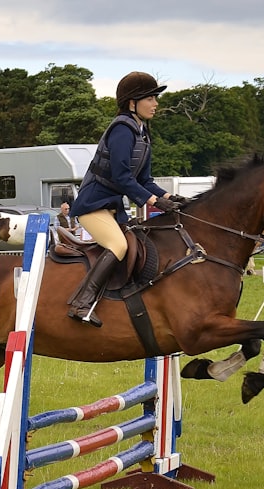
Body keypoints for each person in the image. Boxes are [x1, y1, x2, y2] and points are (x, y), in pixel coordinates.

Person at [67, 71, 180, 327]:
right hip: (92, 205)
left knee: (137, 243)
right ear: (132, 103)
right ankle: (81, 302)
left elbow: (144, 180)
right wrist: (152, 201)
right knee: (119, 246)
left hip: (112, 208)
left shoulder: (142, 134)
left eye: (155, 98)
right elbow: (120, 177)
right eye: (150, 98)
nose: (156, 104)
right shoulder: (122, 129)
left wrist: (169, 197)